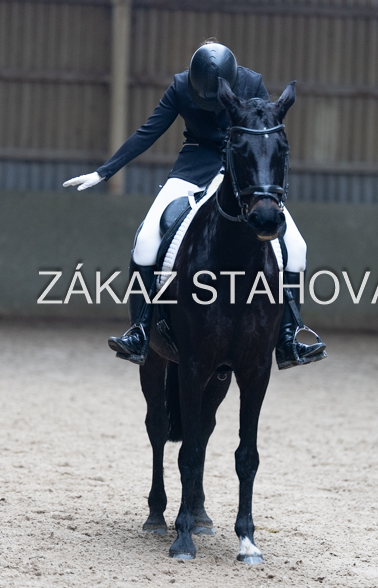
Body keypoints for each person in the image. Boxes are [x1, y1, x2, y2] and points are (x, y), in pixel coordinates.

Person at [63, 40, 325, 369]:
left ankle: (289, 336)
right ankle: (140, 331)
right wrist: (104, 172)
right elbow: (148, 131)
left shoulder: (251, 83)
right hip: (194, 166)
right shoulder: (180, 87)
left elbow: (264, 136)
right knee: (145, 241)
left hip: (240, 173)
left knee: (297, 247)